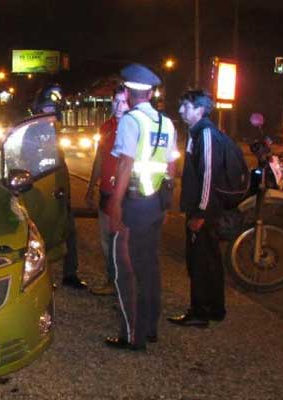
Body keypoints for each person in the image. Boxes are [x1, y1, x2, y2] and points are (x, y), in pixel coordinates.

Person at [105, 64, 178, 351]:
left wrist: (115, 204)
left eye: (123, 89)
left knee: (126, 269)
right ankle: (150, 328)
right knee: (149, 267)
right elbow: (172, 165)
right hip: (156, 203)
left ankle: (132, 336)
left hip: (133, 203)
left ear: (129, 91)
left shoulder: (131, 121)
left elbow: (125, 164)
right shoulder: (166, 122)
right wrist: (166, 203)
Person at [167, 89, 227, 328]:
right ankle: (214, 308)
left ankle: (200, 312)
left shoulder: (206, 134)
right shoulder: (196, 133)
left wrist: (201, 213)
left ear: (200, 110)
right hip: (201, 209)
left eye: (186, 107)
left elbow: (209, 176)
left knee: (201, 261)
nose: (181, 110)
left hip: (204, 211)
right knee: (207, 259)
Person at [31, 84, 87, 289]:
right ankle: (41, 279)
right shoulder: (31, 132)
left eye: (54, 110)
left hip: (59, 191)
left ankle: (70, 274)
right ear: (38, 109)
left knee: (69, 232)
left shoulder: (57, 131)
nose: (51, 115)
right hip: (40, 192)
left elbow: (60, 163)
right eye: (48, 109)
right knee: (41, 236)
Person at [85, 85, 129, 295]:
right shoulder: (106, 127)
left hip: (123, 196)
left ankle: (121, 285)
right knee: (105, 240)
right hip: (105, 193)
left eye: (124, 101)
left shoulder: (135, 128)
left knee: (119, 242)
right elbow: (99, 158)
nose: (119, 106)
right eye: (116, 101)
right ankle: (112, 280)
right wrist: (90, 187)